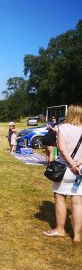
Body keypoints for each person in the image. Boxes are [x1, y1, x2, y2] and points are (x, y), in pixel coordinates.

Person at [43, 103, 82, 243]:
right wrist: (78, 163)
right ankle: (77, 235)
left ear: (70, 113)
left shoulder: (63, 128)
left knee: (60, 197)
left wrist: (72, 164)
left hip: (65, 169)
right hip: (80, 170)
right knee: (77, 202)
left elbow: (62, 149)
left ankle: (60, 229)